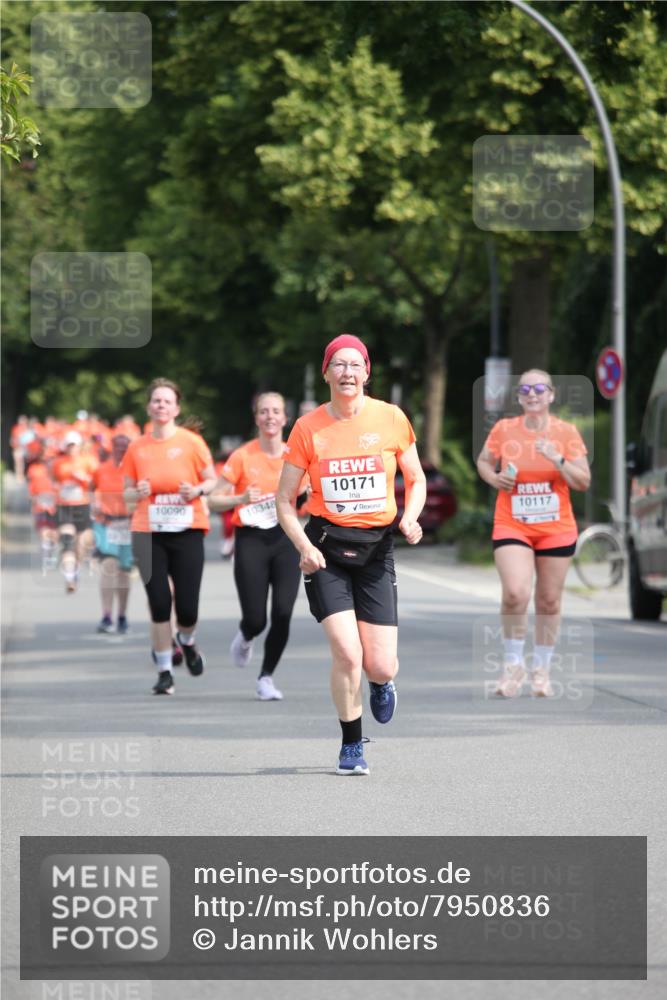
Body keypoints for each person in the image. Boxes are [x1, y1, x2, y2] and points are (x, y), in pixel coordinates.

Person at [277, 334, 426, 775]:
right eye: (338, 364)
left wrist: (412, 517)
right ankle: (351, 744)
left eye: (354, 364)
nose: (347, 372)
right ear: (326, 373)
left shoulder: (391, 418)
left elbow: (414, 478)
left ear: (367, 372)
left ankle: (382, 682)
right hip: (325, 552)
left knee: (379, 662)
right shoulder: (308, 428)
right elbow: (284, 500)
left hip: (377, 550)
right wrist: (303, 547)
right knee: (347, 654)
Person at [476, 369, 591, 698]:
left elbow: (582, 481)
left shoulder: (566, 432)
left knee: (549, 600)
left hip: (556, 527)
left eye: (539, 388)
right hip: (512, 522)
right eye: (525, 389)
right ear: (519, 396)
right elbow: (484, 462)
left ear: (551, 395)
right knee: (515, 593)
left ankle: (541, 668)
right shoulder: (504, 429)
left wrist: (557, 459)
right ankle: (513, 665)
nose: (532, 394)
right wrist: (495, 478)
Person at [122, 379, 217, 694]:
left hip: (187, 529)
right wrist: (137, 492)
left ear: (176, 408)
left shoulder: (191, 443)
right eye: (156, 401)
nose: (161, 405)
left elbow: (212, 480)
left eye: (167, 401)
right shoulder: (137, 447)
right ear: (149, 407)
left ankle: (187, 642)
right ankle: (164, 671)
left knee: (187, 608)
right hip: (147, 532)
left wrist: (197, 490)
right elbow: (125, 495)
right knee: (159, 603)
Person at [210, 393, 304, 701]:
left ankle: (266, 677)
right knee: (256, 618)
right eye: (264, 411)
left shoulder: (297, 454)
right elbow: (212, 499)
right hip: (251, 538)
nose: (270, 417)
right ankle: (247, 635)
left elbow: (313, 491)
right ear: (256, 418)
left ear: (285, 418)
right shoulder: (243, 456)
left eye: (276, 411)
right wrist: (238, 499)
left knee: (282, 612)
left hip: (286, 538)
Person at [91, 434, 133, 634]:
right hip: (106, 523)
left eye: (126, 446)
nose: (121, 449)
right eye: (118, 446)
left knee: (124, 571)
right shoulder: (102, 469)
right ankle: (107, 615)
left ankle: (122, 615)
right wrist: (94, 504)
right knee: (109, 567)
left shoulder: (136, 470)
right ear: (112, 447)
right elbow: (91, 489)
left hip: (129, 524)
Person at [51, 430, 98, 593]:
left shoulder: (89, 461)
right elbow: (54, 480)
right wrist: (57, 488)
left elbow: (95, 483)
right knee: (67, 541)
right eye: (69, 445)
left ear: (79, 446)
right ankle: (69, 578)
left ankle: (75, 570)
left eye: (74, 445)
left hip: (82, 506)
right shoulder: (59, 463)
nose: (71, 448)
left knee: (80, 545)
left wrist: (82, 479)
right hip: (64, 506)